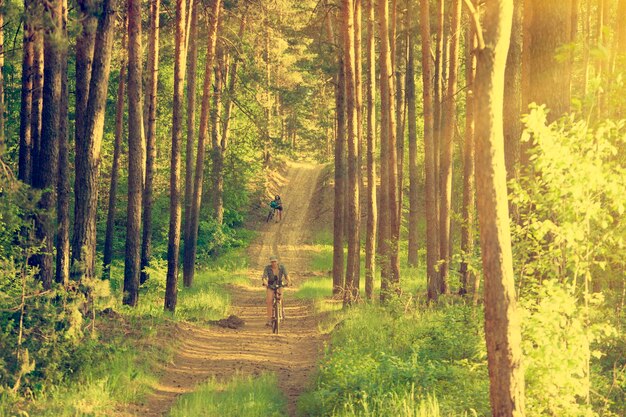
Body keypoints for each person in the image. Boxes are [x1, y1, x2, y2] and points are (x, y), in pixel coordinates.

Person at [261, 255, 290, 326]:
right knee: (269, 301)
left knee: (280, 297)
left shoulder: (282, 267)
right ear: (270, 262)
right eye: (272, 262)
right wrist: (265, 283)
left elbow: (286, 275)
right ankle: (269, 319)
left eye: (275, 261)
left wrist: (289, 281)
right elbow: (264, 277)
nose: (273, 263)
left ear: (277, 262)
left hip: (279, 283)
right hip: (270, 284)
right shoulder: (267, 268)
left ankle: (281, 311)